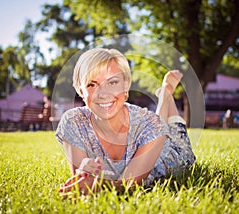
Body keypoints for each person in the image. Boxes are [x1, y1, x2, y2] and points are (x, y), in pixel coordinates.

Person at [56, 48, 196, 196]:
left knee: (169, 129)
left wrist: (100, 185)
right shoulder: (73, 122)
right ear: (80, 91)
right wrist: (85, 174)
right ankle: (165, 94)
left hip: (171, 154)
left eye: (113, 82)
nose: (103, 94)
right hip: (150, 130)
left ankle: (166, 93)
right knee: (155, 125)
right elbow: (80, 182)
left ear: (126, 86)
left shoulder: (152, 125)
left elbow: (128, 186)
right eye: (92, 84)